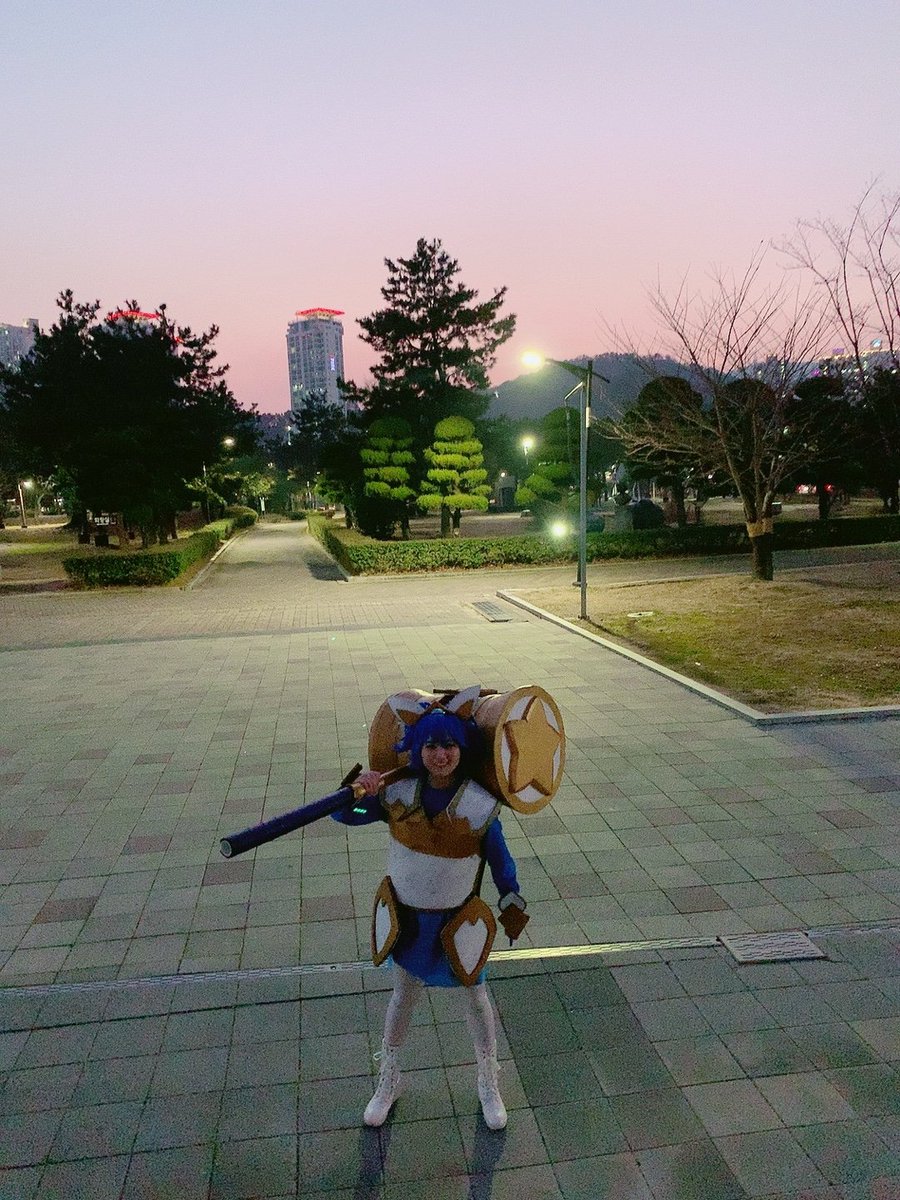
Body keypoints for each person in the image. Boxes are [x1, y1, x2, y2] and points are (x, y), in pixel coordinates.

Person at [333, 699, 529, 1130]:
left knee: (475, 998)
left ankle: (488, 1079)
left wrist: (511, 897)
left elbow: (500, 859)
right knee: (403, 996)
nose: (440, 755)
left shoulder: (478, 805)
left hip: (458, 925)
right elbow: (346, 815)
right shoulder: (398, 794)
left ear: (462, 749)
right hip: (409, 922)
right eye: (431, 746)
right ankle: (389, 1079)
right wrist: (359, 789)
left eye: (449, 746)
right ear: (417, 749)